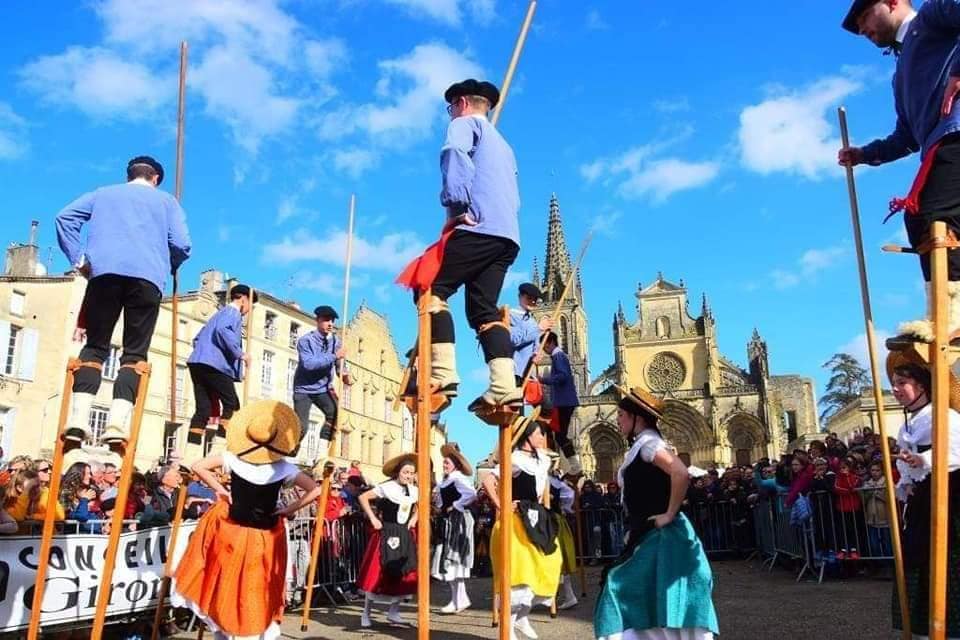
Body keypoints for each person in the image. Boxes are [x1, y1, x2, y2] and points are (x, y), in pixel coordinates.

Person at [397, 79, 523, 415]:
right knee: (484, 312)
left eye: (451, 107)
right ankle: (504, 388)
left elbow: (453, 154)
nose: (450, 113)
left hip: (479, 226)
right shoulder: (504, 145)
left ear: (463, 103)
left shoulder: (463, 125)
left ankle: (443, 373)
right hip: (507, 236)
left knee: (429, 287)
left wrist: (455, 211)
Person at [839, 0, 960, 343]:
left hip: (957, 134)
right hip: (939, 145)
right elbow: (905, 137)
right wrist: (864, 154)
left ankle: (951, 319)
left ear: (892, 2)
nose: (862, 29)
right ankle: (945, 315)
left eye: (863, 17)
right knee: (920, 218)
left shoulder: (934, 16)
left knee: (932, 212)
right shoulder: (900, 74)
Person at [56, 155, 191, 451]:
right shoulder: (167, 202)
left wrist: (80, 259)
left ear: (130, 175)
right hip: (147, 280)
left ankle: (78, 418)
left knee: (95, 347)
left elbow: (65, 218)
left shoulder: (103, 194)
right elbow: (182, 244)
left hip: (104, 274)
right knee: (134, 352)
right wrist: (166, 263)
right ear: (155, 178)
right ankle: (116, 422)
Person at [172, 400, 321, 639]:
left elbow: (198, 466)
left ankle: (225, 628)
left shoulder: (233, 458)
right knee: (256, 587)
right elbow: (316, 490)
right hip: (264, 536)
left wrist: (221, 489)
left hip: (232, 532)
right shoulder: (283, 468)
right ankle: (248, 627)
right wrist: (288, 509)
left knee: (225, 584)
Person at [594, 387, 718, 640]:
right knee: (647, 591)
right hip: (648, 532)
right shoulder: (642, 445)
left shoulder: (649, 444)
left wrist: (669, 514)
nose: (617, 420)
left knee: (621, 586)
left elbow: (680, 472)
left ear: (636, 418)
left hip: (663, 534)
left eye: (621, 414)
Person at [886, 351, 960, 638]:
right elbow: (909, 465)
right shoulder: (907, 425)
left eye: (902, 382)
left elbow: (956, 452)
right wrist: (905, 481)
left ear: (922, 386)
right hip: (921, 505)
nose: (895, 389)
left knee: (948, 565)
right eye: (893, 382)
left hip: (949, 501)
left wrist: (926, 460)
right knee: (918, 567)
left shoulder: (945, 417)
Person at [482, 409, 562, 640]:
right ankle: (508, 624)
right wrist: (502, 504)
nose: (542, 438)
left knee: (549, 563)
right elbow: (488, 479)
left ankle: (522, 617)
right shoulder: (514, 459)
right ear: (528, 437)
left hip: (535, 519)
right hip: (516, 523)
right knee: (520, 572)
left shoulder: (543, 460)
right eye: (539, 435)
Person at [186, 284, 256, 446]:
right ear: (244, 299)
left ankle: (190, 454)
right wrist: (240, 354)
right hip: (214, 366)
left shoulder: (218, 314)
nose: (249, 310)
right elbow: (223, 331)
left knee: (203, 410)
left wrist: (205, 353)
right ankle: (218, 449)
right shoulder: (233, 313)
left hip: (198, 363)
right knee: (232, 405)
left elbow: (197, 339)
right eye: (251, 305)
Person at [356, 453, 419, 628]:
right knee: (377, 574)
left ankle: (393, 612)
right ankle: (366, 613)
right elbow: (363, 498)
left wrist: (415, 518)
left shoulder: (415, 491)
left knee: (403, 574)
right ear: (398, 472)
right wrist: (373, 518)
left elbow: (422, 505)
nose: (408, 476)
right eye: (405, 472)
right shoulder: (387, 488)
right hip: (387, 533)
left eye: (411, 473)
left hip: (404, 534)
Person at [293, 305, 351, 467]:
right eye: (326, 320)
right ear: (317, 320)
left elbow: (340, 364)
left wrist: (344, 373)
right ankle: (291, 450)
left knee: (335, 412)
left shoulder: (336, 342)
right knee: (302, 427)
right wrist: (334, 356)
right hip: (303, 389)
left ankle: (320, 454)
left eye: (332, 320)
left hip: (323, 388)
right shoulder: (306, 341)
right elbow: (309, 364)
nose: (330, 323)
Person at [431, 443, 477, 614]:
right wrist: (440, 506)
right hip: (449, 521)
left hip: (459, 522)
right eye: (443, 463)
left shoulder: (458, 478)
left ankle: (458, 599)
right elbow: (441, 501)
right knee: (447, 560)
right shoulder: (447, 480)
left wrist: (455, 506)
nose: (444, 466)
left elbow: (471, 493)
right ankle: (459, 598)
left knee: (453, 558)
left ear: (455, 465)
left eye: (447, 463)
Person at [538, 331, 582, 477]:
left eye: (544, 346)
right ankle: (572, 465)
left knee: (560, 435)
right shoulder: (558, 356)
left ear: (550, 343)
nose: (544, 349)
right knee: (558, 433)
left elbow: (563, 376)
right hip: (564, 402)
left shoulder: (558, 356)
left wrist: (544, 380)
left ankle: (574, 466)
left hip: (564, 402)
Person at [510, 282, 553, 385]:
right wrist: (538, 329)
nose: (533, 301)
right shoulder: (510, 315)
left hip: (528, 375)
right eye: (529, 298)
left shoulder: (532, 321)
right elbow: (513, 340)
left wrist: (537, 353)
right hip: (513, 373)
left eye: (535, 299)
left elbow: (535, 345)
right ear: (520, 296)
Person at [548, 467, 579, 611]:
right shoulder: (555, 482)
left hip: (549, 521)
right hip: (555, 519)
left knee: (554, 557)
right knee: (559, 558)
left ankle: (564, 595)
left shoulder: (549, 481)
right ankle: (567, 595)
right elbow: (569, 494)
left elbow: (569, 494)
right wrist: (566, 509)